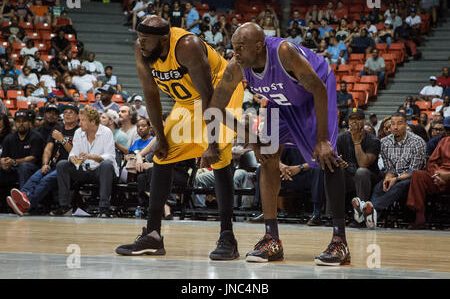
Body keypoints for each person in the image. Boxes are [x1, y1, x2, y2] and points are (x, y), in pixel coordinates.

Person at [202, 22, 350, 265]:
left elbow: (319, 89)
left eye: (241, 48)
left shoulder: (284, 52)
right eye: (233, 47)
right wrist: (252, 140)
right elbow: (214, 108)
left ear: (259, 46)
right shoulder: (237, 66)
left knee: (327, 157)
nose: (235, 53)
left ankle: (339, 241)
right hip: (279, 103)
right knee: (268, 158)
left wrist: (322, 140)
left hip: (314, 95)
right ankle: (271, 239)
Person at [115, 15, 244, 260]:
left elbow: (209, 99)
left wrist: (213, 143)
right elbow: (150, 94)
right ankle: (152, 235)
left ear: (164, 39)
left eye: (146, 40)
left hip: (221, 91)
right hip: (186, 101)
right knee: (163, 155)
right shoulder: (142, 49)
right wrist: (160, 137)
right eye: (139, 38)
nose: (141, 44)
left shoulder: (187, 46)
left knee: (220, 156)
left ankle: (228, 237)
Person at [6, 104, 79, 216]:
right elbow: (48, 149)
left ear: (78, 116)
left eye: (71, 112)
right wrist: (45, 164)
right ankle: (22, 198)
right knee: (37, 176)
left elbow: (76, 153)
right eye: (65, 112)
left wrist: (62, 139)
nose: (67, 114)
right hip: (53, 165)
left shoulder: (79, 131)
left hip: (68, 167)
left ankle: (27, 205)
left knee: (46, 180)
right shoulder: (57, 129)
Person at [52, 106, 118, 217]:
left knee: (106, 165)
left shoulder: (106, 132)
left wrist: (92, 156)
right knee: (62, 164)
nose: (79, 123)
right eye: (80, 120)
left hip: (100, 171)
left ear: (92, 121)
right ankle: (64, 206)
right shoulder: (79, 133)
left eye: (83, 120)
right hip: (83, 169)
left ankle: (104, 208)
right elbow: (74, 152)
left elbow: (110, 157)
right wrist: (72, 158)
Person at [366, 112, 427, 229]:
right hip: (394, 175)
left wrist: (396, 179)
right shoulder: (384, 142)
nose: (395, 127)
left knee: (400, 185)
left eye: (399, 123)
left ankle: (372, 209)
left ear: (406, 124)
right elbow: (389, 168)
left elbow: (414, 170)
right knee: (379, 187)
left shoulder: (418, 142)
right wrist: (389, 177)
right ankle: (372, 217)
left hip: (413, 179)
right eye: (392, 124)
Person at [338, 108, 381, 228]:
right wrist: (339, 163)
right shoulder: (341, 138)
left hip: (369, 178)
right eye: (351, 119)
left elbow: (363, 164)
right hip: (349, 175)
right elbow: (336, 157)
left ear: (363, 121)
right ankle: (335, 216)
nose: (354, 122)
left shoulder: (373, 140)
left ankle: (360, 217)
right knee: (334, 172)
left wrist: (357, 142)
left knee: (361, 172)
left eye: (357, 119)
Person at [406, 126, 450, 229]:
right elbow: (432, 162)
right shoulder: (444, 141)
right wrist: (436, 175)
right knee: (418, 175)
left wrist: (448, 176)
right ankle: (420, 217)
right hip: (439, 176)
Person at [0, 110, 45, 189]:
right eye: (18, 121)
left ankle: (24, 196)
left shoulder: (36, 137)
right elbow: (4, 156)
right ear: (14, 123)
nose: (21, 124)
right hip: (13, 168)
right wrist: (3, 162)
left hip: (33, 169)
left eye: (24, 121)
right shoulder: (9, 138)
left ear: (29, 123)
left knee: (24, 166)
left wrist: (14, 161)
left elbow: (32, 159)